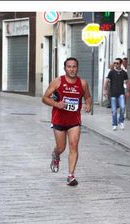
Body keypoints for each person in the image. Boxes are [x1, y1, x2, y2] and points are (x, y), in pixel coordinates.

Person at [42, 57, 92, 186]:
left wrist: (88, 104)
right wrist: (56, 104)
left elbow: (88, 97)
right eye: (69, 66)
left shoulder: (83, 83)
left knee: (74, 145)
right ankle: (56, 155)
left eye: (74, 66)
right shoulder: (57, 82)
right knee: (61, 147)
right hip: (59, 119)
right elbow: (45, 98)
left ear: (77, 68)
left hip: (74, 121)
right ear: (65, 68)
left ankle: (71, 176)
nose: (72, 69)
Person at [103, 58, 130, 130]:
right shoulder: (111, 72)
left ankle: (121, 121)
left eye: (117, 63)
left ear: (121, 64)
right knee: (114, 110)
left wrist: (128, 92)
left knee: (122, 108)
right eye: (114, 63)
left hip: (121, 93)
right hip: (113, 94)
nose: (115, 64)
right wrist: (105, 90)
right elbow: (106, 81)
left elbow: (127, 82)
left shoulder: (124, 73)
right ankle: (114, 124)